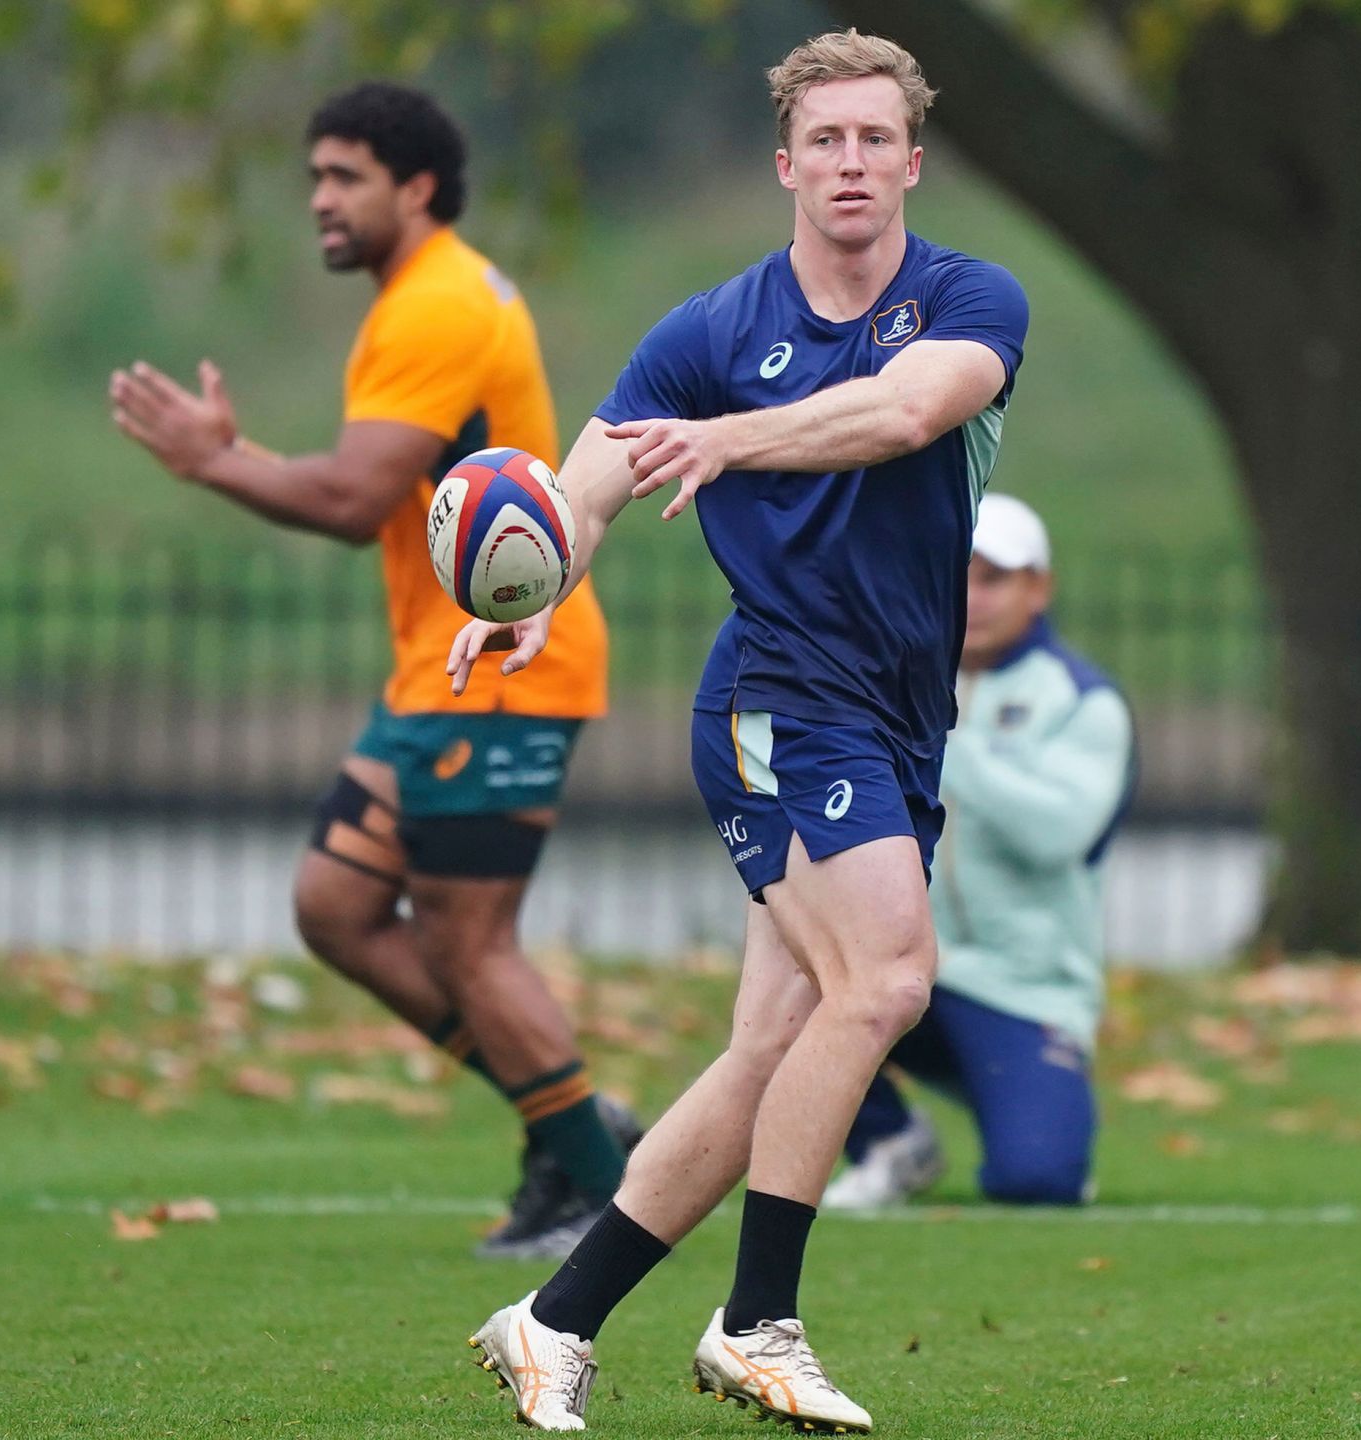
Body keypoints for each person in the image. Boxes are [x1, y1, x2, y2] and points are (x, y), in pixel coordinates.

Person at [448, 31, 1028, 1431]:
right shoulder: (710, 331)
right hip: (779, 699)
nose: (850, 162)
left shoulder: (969, 297)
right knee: (885, 985)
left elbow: (902, 413)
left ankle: (554, 1317)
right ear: (786, 163)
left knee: (779, 1048)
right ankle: (758, 1321)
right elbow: (580, 490)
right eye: (824, 140)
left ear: (911, 160)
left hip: (894, 715)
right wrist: (536, 589)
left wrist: (729, 439)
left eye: (874, 139)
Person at [108, 81, 635, 1258]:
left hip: (501, 670)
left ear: (417, 187)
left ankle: (601, 1182)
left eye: (343, 177)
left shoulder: (438, 304)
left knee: (468, 943)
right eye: (313, 179)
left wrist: (213, 460)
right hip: (437, 673)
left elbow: (352, 500)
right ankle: (569, 1124)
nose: (320, 201)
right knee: (336, 905)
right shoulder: (423, 293)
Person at [824, 493, 1133, 1211]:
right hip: (907, 966)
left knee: (1037, 1182)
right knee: (794, 973)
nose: (971, 596)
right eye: (956, 573)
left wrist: (945, 733)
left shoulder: (1084, 700)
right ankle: (888, 1140)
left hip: (1027, 991)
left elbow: (1058, 835)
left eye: (994, 578)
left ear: (1039, 589)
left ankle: (1026, 1092)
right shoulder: (887, 678)